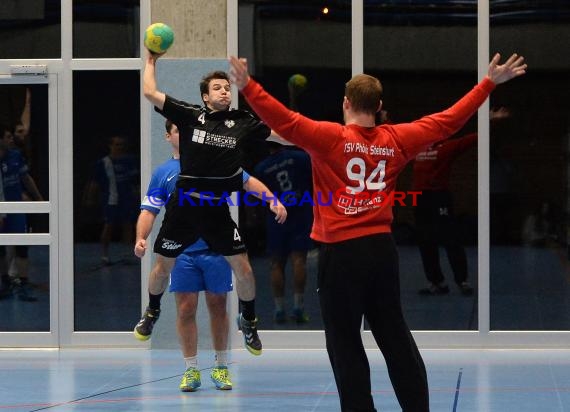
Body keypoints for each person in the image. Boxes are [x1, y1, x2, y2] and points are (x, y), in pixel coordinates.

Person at [229, 53, 526, 411]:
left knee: (344, 342)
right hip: (381, 250)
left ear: (346, 103)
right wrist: (488, 83)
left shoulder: (329, 137)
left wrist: (248, 86)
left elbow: (284, 119)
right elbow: (450, 120)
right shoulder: (398, 138)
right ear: (379, 106)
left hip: (341, 254)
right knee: (394, 336)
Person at [133, 119, 286, 391]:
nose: (184, 135)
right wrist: (141, 237)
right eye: (178, 131)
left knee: (218, 305)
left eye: (187, 130)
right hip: (184, 255)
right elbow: (149, 210)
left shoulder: (215, 162)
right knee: (186, 308)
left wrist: (273, 200)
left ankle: (221, 367)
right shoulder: (164, 173)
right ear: (168, 137)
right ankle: (191, 369)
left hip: (216, 250)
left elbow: (249, 182)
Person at [142, 49, 273, 356]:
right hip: (185, 206)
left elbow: (280, 134)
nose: (224, 90)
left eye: (227, 87)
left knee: (245, 270)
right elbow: (149, 91)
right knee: (162, 268)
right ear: (205, 96)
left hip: (215, 210)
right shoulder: (189, 116)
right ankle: (152, 310)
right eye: (217, 87)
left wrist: (316, 139)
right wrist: (150, 60)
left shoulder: (243, 122)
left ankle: (249, 319)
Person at [412, 106, 511, 296]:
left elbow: (478, 137)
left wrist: (491, 120)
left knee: (450, 239)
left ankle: (462, 281)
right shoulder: (416, 147)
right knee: (425, 241)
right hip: (420, 199)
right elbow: (393, 137)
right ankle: (436, 282)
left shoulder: (447, 147)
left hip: (439, 197)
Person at [254, 141, 313, 323]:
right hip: (300, 213)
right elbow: (314, 182)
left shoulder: (262, 168)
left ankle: (279, 309)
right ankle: (298, 307)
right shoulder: (301, 158)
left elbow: (257, 196)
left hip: (276, 217)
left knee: (276, 263)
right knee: (299, 260)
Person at [0, 125, 44, 301]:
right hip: (2, 210)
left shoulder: (16, 156)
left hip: (16, 209)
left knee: (21, 246)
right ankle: (5, 283)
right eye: (8, 137)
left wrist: (39, 198)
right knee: (1, 249)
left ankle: (24, 284)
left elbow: (26, 178)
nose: (12, 139)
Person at [83, 135, 140, 264]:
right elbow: (94, 183)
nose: (119, 147)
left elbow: (135, 181)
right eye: (116, 144)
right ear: (110, 146)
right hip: (111, 200)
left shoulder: (129, 162)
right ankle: (104, 254)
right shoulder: (103, 163)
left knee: (128, 226)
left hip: (127, 198)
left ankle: (127, 254)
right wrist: (90, 198)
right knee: (109, 226)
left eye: (121, 145)